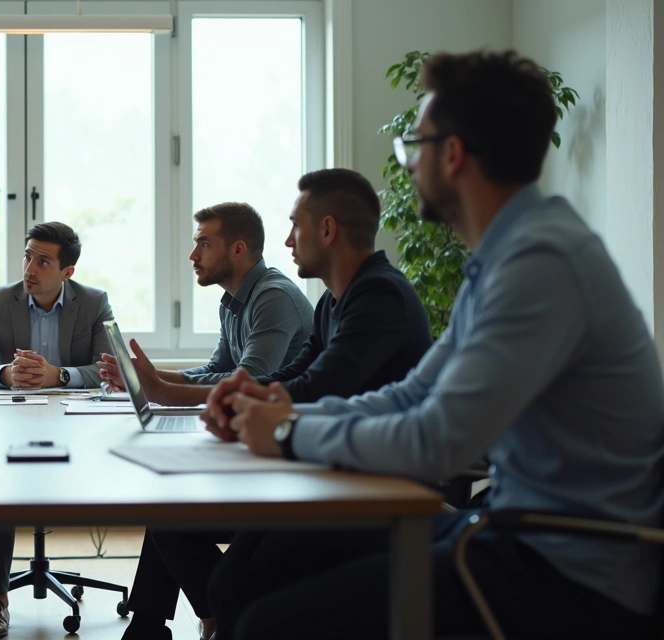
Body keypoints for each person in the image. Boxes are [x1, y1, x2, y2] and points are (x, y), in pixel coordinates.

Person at [204, 50, 664, 639]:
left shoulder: (539, 263)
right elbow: (412, 394)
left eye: (412, 146)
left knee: (271, 620)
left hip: (569, 569)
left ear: (452, 155)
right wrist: (283, 412)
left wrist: (290, 432)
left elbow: (437, 439)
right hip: (511, 529)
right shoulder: (505, 257)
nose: (407, 164)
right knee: (246, 578)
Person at [122, 168, 434, 640]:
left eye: (295, 226)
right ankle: (160, 627)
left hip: (373, 489)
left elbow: (316, 389)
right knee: (189, 535)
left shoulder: (379, 295)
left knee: (233, 587)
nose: (287, 242)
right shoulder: (335, 302)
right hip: (326, 470)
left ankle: (213, 622)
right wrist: (226, 396)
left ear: (327, 230)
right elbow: (290, 380)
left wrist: (215, 397)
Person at [0, 222, 113, 639]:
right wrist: (7, 375)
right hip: (6, 420)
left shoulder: (94, 302)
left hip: (72, 429)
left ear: (67, 271)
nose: (30, 268)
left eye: (43, 261)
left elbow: (109, 371)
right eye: (28, 256)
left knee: (2, 482)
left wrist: (58, 375)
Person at [97, 203, 313, 407]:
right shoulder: (231, 302)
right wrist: (148, 375)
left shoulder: (274, 297)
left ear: (238, 250)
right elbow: (218, 369)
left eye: (205, 244)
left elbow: (248, 379)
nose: (193, 255)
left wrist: (158, 385)